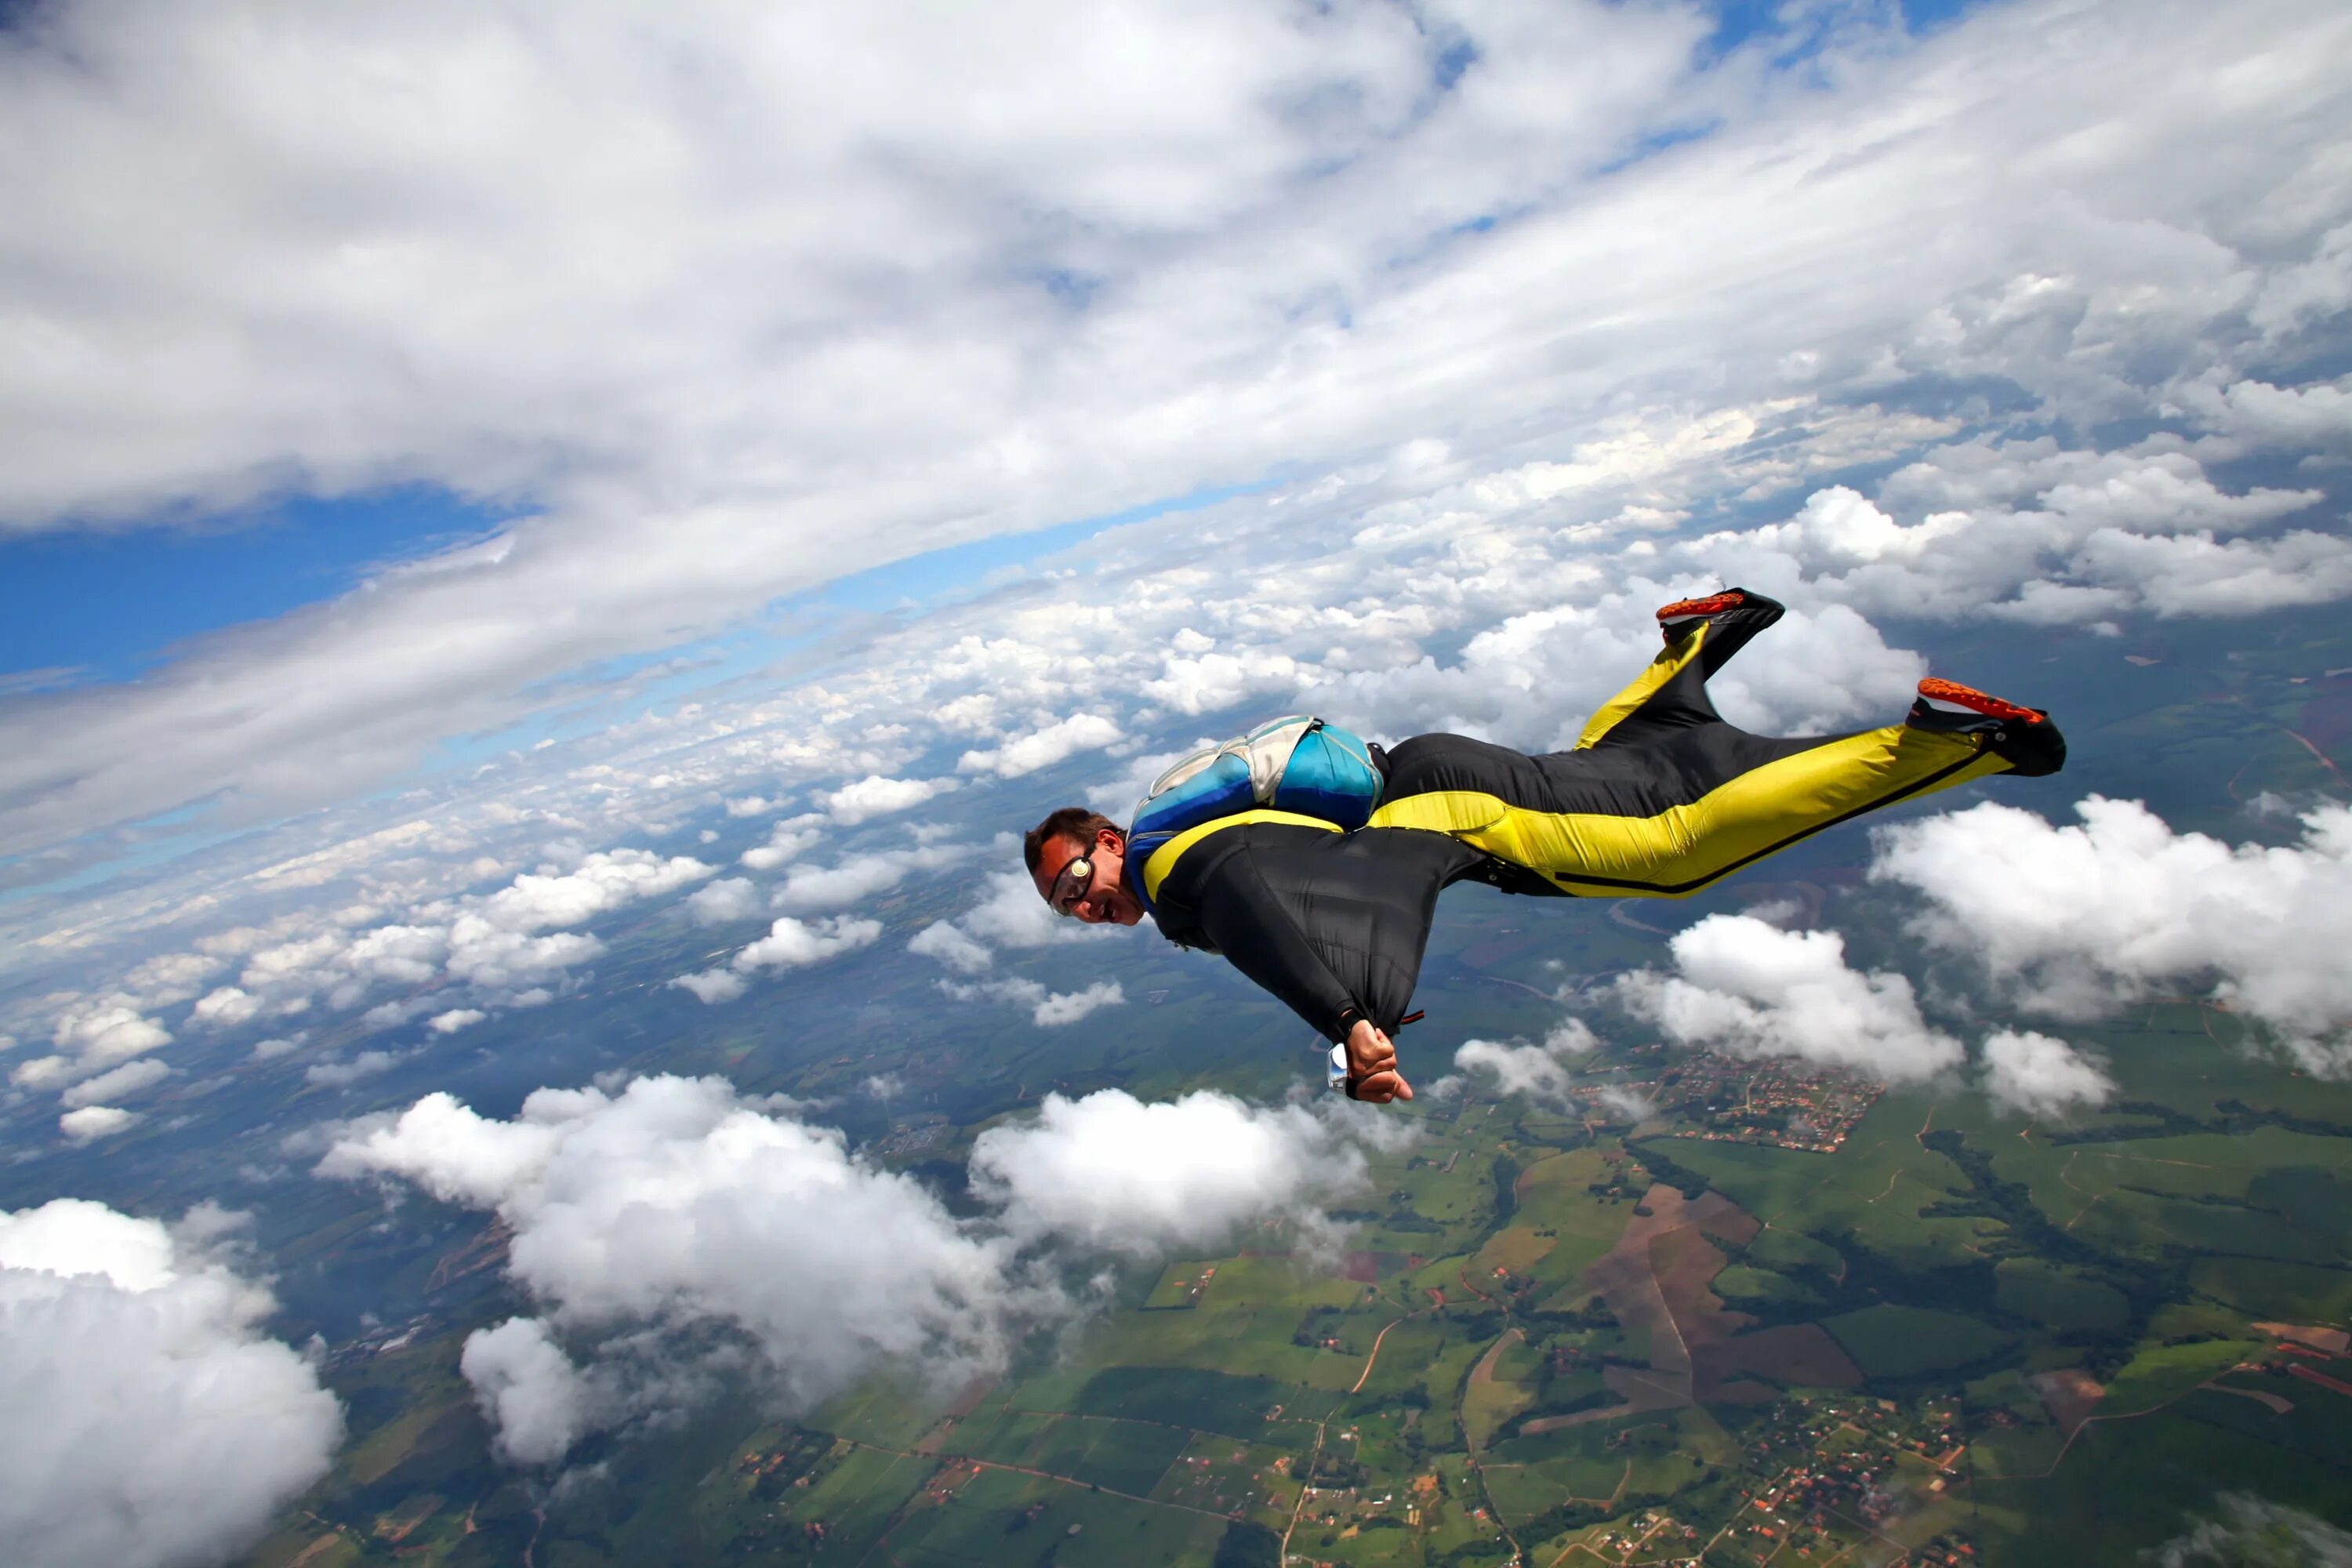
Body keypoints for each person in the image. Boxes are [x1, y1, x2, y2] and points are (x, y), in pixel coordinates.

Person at [1024, 590, 2063, 1105]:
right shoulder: (1170, 841)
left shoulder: (1174, 870)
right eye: (1064, 907)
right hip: (1431, 781)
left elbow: (1252, 895)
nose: (1081, 905)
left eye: (1077, 877)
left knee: (1676, 844)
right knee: (1626, 777)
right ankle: (1687, 654)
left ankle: (1950, 741)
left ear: (1107, 842)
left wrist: (1345, 1017)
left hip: (1446, 807)